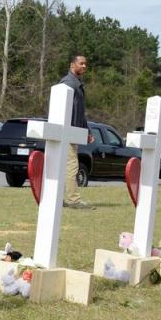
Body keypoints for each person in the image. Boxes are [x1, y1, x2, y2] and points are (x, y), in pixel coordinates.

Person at [59, 54, 91, 208]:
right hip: (67, 133)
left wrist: (87, 131)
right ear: (73, 65)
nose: (84, 66)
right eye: (81, 64)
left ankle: (63, 199)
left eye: (85, 64)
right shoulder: (68, 84)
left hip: (73, 132)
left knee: (68, 167)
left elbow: (80, 112)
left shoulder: (77, 84)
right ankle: (73, 200)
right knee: (72, 167)